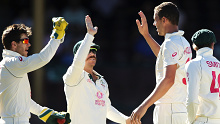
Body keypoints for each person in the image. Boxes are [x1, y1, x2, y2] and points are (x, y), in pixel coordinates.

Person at [130, 2, 192, 124]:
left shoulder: (170, 43)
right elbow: (165, 58)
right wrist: (146, 35)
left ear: (164, 20)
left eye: (155, 20)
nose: (154, 24)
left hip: (169, 109)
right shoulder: (183, 41)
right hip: (180, 107)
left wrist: (144, 106)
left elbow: (169, 79)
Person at [0, 17, 71, 124]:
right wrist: (56, 36)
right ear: (14, 44)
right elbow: (42, 58)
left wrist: (46, 114)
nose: (29, 44)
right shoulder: (12, 62)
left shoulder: (10, 65)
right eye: (25, 41)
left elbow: (23, 101)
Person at [63, 15, 131, 124]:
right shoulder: (72, 77)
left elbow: (107, 109)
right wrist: (89, 35)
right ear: (78, 54)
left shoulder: (102, 81)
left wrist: (126, 121)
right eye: (88, 50)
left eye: (94, 51)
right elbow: (77, 63)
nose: (92, 53)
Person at [185, 29, 220, 124]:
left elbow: (192, 99)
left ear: (194, 46)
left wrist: (190, 121)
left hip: (203, 119)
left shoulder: (193, 64)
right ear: (213, 44)